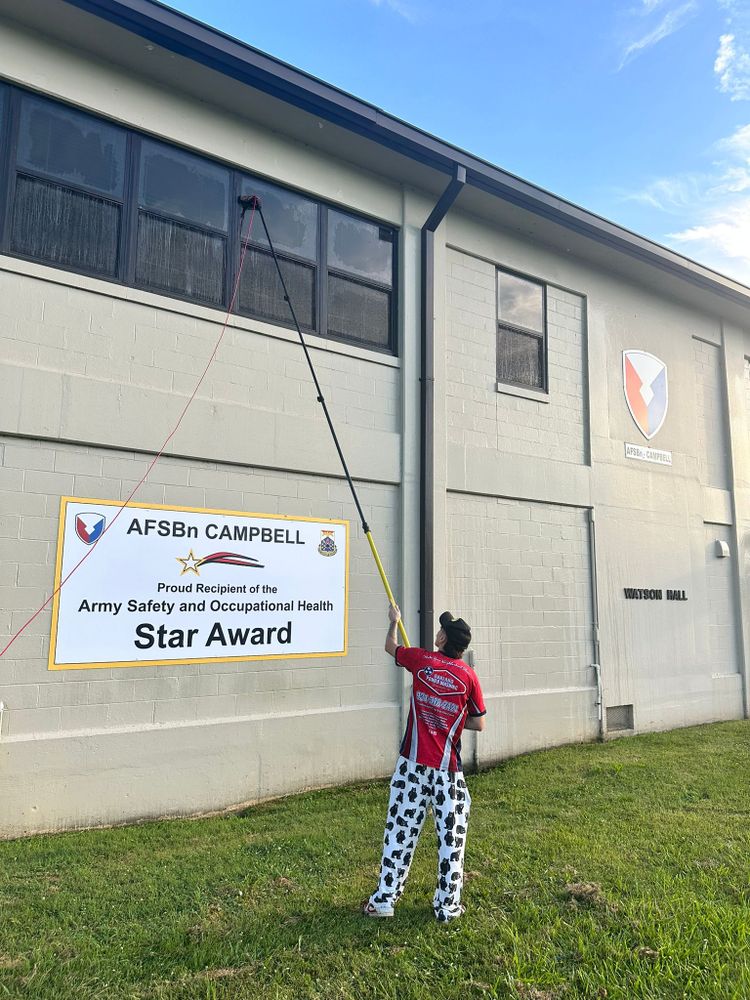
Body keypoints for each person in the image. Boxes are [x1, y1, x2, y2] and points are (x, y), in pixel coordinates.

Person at [363, 604, 486, 923]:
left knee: (400, 832)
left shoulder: (421, 660)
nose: (439, 630)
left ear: (443, 638)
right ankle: (448, 907)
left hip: (412, 769)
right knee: (452, 840)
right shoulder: (469, 677)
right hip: (448, 775)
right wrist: (452, 719)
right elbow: (478, 723)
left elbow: (391, 647)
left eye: (442, 629)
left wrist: (394, 622)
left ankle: (385, 900)